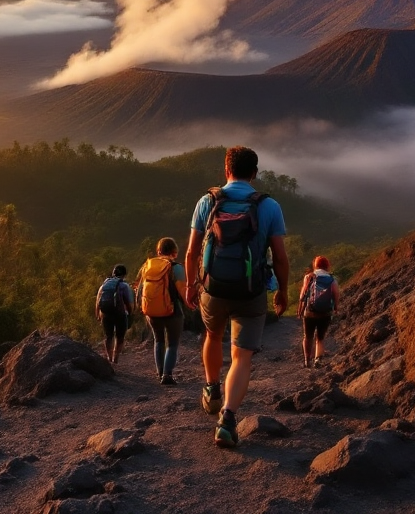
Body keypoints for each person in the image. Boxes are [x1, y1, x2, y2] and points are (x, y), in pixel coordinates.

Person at [184, 145, 289, 449]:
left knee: (213, 335)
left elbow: (191, 251)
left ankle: (211, 388)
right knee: (241, 357)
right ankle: (228, 419)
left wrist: (192, 284)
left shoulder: (207, 202)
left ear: (226, 170)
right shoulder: (269, 206)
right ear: (255, 173)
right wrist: (282, 291)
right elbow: (280, 257)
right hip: (250, 291)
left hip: (213, 289)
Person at [136, 237, 187, 385]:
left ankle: (159, 373)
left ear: (158, 251)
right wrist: (191, 304)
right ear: (174, 252)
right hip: (173, 311)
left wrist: (143, 307)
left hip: (151, 311)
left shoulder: (147, 266)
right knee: (172, 343)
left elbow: (139, 291)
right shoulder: (176, 267)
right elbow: (183, 292)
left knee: (158, 340)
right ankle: (167, 375)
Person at [298, 255, 340, 368]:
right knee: (320, 337)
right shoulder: (332, 279)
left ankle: (307, 360)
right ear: (327, 266)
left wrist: (300, 308)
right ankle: (317, 360)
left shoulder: (309, 277)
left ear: (315, 265)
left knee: (308, 336)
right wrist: (336, 307)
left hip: (310, 312)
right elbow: (336, 294)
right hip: (325, 313)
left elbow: (302, 295)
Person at [94, 264, 134, 365]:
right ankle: (115, 359)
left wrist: (98, 315)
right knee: (120, 337)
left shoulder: (104, 285)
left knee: (108, 336)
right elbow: (129, 303)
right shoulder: (124, 286)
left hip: (105, 314)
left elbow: (98, 302)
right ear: (124, 275)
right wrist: (130, 313)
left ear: (113, 273)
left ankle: (109, 357)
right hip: (120, 314)